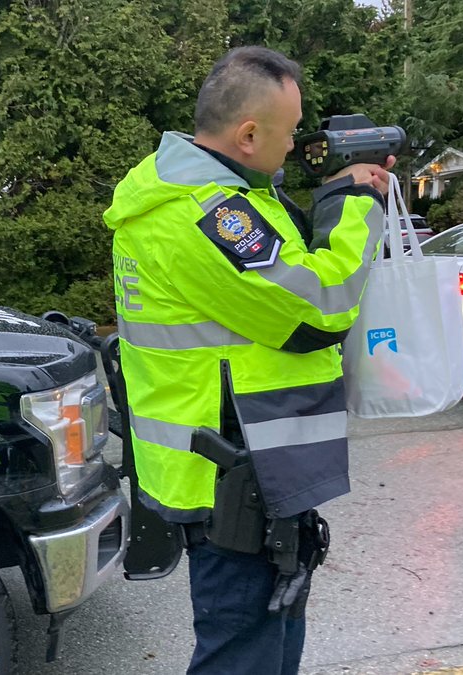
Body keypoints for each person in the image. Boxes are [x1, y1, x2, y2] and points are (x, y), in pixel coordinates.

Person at [103, 46, 393, 674]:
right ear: (249, 133)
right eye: (289, 134)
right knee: (244, 654)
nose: (295, 147)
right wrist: (354, 207)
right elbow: (316, 310)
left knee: (268, 638)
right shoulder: (205, 216)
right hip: (233, 474)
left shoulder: (212, 197)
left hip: (242, 462)